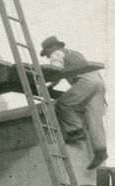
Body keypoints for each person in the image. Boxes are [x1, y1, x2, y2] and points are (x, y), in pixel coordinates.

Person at [39, 35, 108, 170]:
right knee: (93, 116)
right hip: (98, 82)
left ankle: (75, 131)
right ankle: (101, 151)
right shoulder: (75, 53)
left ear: (52, 47)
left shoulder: (56, 53)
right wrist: (52, 86)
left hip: (85, 82)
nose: (47, 56)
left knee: (63, 104)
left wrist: (44, 71)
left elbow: (56, 69)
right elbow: (62, 73)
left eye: (46, 53)